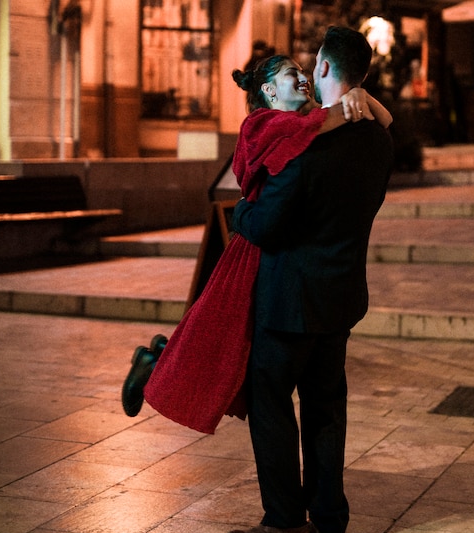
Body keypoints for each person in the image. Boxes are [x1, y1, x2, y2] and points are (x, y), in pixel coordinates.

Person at [121, 51, 392, 434]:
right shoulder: (264, 124)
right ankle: (158, 364)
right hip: (253, 250)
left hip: (267, 254)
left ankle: (160, 359)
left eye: (302, 71)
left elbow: (380, 120)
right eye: (289, 74)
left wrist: (360, 97)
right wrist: (356, 100)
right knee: (226, 343)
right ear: (267, 91)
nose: (302, 78)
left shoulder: (298, 124)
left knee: (224, 341)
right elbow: (325, 123)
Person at [226, 26, 394, 533]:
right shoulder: (378, 139)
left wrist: (240, 211)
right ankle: (331, 523)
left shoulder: (302, 147)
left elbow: (266, 224)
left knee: (270, 400)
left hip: (288, 301)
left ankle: (284, 520)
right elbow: (381, 117)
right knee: (326, 408)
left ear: (322, 70)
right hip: (340, 299)